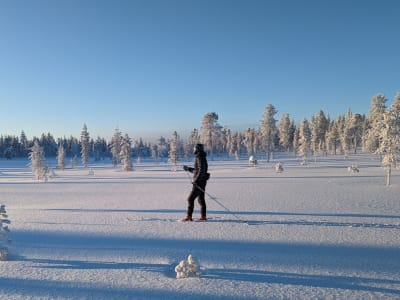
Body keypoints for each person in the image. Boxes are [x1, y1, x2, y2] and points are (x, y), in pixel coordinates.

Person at [182, 143, 209, 221]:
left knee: (190, 199)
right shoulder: (200, 157)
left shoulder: (200, 157)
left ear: (198, 149)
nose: (193, 150)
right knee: (201, 199)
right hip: (202, 181)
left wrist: (196, 181)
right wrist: (188, 169)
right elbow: (197, 170)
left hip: (199, 182)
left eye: (194, 148)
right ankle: (203, 216)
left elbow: (201, 170)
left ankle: (189, 216)